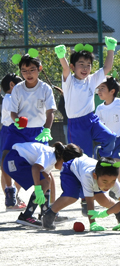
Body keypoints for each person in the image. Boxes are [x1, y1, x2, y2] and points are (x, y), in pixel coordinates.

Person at [3, 52, 57, 210]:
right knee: (5, 158)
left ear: (39, 69)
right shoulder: (18, 89)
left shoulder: (45, 88)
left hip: (39, 132)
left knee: (45, 170)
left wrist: (46, 130)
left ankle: (49, 208)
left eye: (32, 69)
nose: (28, 74)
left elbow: (50, 112)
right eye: (24, 71)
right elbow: (13, 112)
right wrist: (16, 121)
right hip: (19, 131)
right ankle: (10, 190)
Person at [55, 38, 117, 158]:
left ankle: (103, 158)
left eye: (88, 65)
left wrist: (110, 49)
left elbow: (107, 68)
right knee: (83, 157)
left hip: (91, 119)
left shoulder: (92, 79)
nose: (85, 68)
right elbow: (66, 69)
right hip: (76, 125)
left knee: (110, 137)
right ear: (73, 67)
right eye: (81, 64)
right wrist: (61, 56)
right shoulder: (69, 82)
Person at [3, 141, 83, 227]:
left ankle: (45, 214)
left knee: (47, 180)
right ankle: (26, 216)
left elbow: (46, 178)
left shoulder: (53, 157)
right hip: (13, 161)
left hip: (15, 160)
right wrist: (38, 189)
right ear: (63, 159)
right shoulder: (49, 155)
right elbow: (35, 168)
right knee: (44, 182)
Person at [42, 156, 120, 230]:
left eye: (112, 181)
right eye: (105, 182)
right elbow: (89, 202)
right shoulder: (88, 176)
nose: (109, 185)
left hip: (88, 172)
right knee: (71, 196)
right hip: (71, 170)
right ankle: (49, 214)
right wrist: (93, 224)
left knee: (103, 200)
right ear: (95, 176)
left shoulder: (111, 180)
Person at [0, 73, 26, 211]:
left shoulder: (9, 98)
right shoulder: (10, 98)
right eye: (20, 83)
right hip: (11, 131)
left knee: (8, 166)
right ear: (12, 85)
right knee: (10, 166)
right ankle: (11, 198)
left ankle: (12, 197)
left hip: (10, 131)